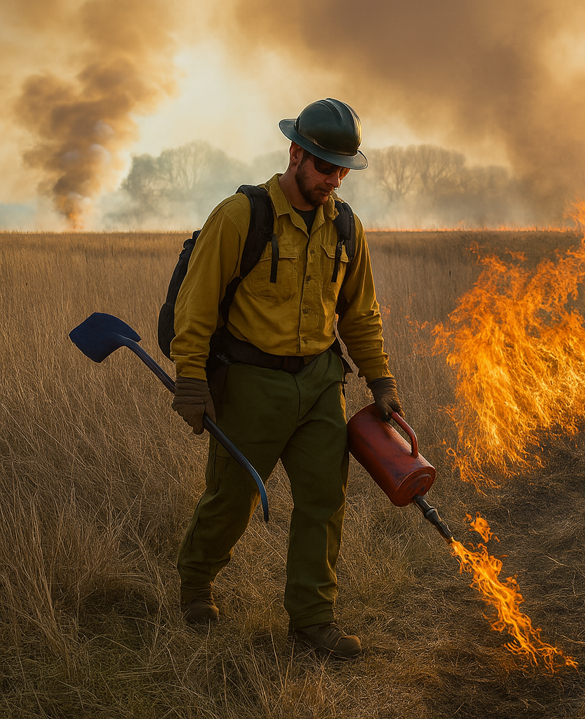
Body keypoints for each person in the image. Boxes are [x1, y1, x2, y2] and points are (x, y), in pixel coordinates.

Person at [169, 98, 401, 660]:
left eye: (342, 169)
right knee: (233, 497)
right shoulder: (239, 216)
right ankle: (196, 583)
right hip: (252, 382)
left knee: (324, 500)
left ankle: (313, 621)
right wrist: (192, 381)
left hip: (322, 382)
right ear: (294, 152)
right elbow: (195, 308)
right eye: (323, 166)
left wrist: (381, 382)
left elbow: (360, 313)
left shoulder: (346, 225)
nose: (333, 179)